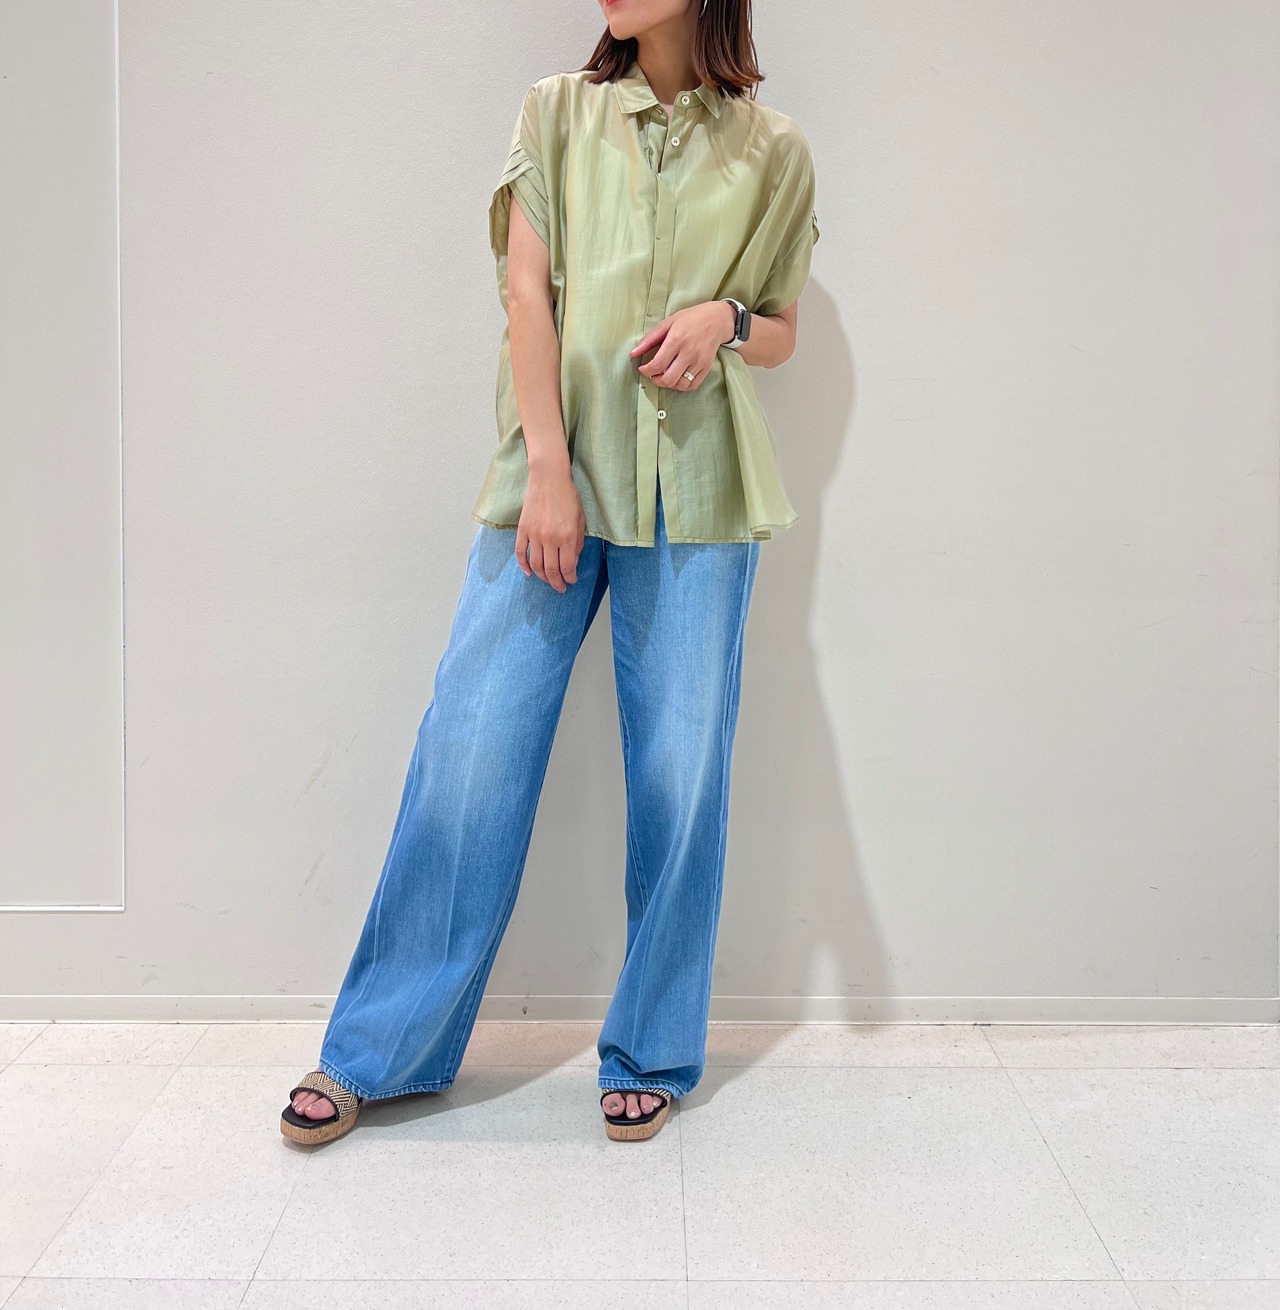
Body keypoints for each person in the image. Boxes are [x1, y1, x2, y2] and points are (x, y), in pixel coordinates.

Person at [280, 0, 819, 1146]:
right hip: (550, 487)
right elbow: (526, 292)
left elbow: (779, 328)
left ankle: (651, 1049)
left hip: (701, 496)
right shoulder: (557, 113)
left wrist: (723, 318)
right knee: (469, 753)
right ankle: (381, 1047)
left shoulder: (772, 150)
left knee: (680, 777)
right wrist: (546, 469)